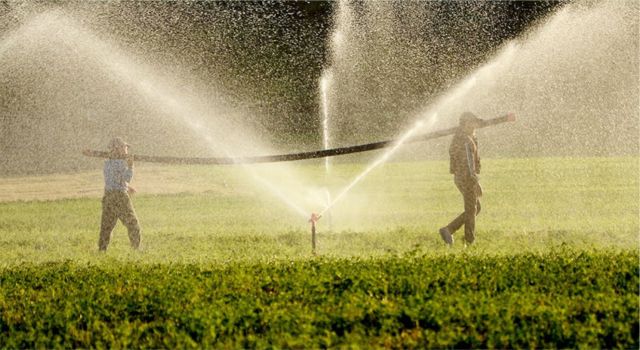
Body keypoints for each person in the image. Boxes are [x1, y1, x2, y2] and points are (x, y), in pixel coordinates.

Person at [85, 137, 141, 251]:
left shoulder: (107, 163)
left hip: (108, 196)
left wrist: (127, 187)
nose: (127, 150)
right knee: (132, 223)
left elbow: (114, 180)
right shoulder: (121, 163)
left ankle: (102, 249)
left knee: (106, 226)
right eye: (125, 147)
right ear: (118, 149)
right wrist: (130, 166)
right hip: (120, 197)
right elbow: (126, 178)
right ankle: (136, 248)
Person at [439, 112, 484, 246]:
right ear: (465, 124)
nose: (474, 125)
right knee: (472, 210)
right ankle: (469, 241)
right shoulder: (464, 140)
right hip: (466, 178)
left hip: (463, 177)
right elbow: (469, 164)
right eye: (472, 122)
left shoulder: (465, 138)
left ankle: (448, 230)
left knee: (476, 208)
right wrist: (475, 182)